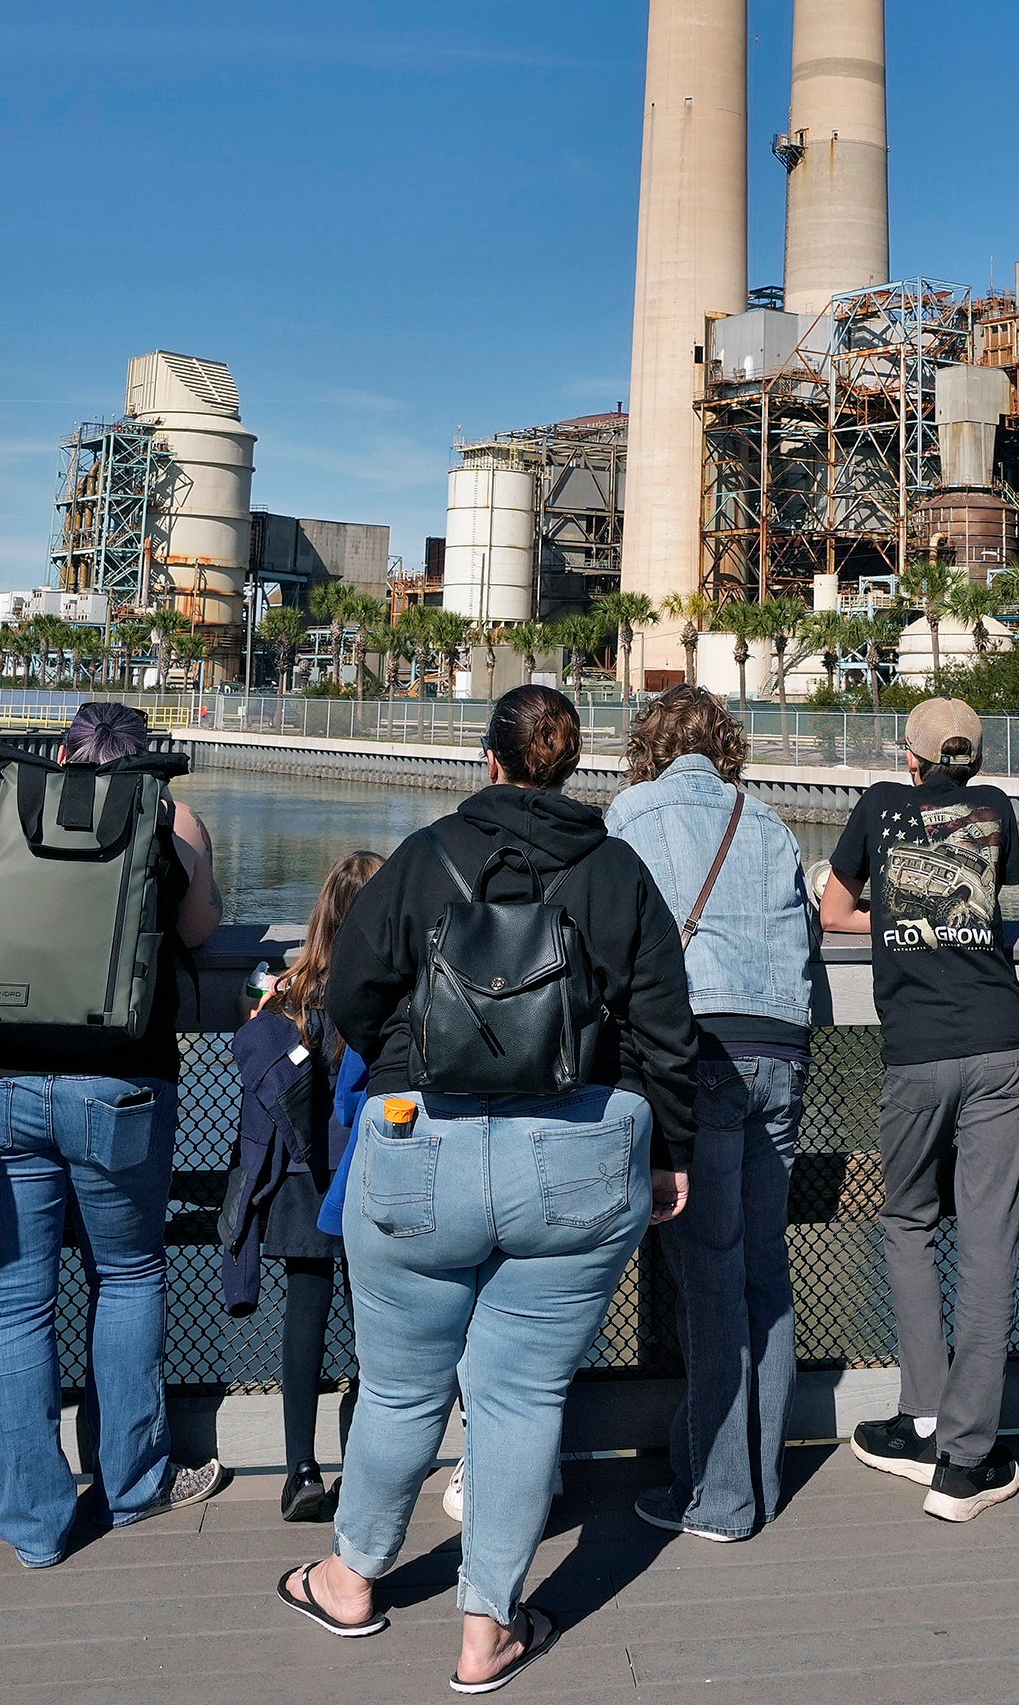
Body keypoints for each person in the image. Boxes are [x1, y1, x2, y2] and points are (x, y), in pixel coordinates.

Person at [281, 684, 694, 1694]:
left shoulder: (426, 857)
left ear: (493, 759)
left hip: (422, 1143)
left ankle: (348, 1579)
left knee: (400, 1385)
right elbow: (664, 1028)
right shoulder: (618, 871)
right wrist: (666, 1148)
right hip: (578, 1156)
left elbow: (350, 992)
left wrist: (400, 1067)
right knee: (519, 1396)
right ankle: (486, 1630)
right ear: (569, 765)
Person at [0, 699, 226, 1568]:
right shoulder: (171, 815)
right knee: (129, 1272)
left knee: (12, 1296)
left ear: (63, 751)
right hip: (121, 1079)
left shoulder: (10, 808)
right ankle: (134, 1484)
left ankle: (34, 1525)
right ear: (142, 757)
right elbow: (199, 930)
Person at [607, 687, 819, 1540]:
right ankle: (756, 1477)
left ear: (651, 744)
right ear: (725, 746)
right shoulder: (766, 820)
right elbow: (802, 927)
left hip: (699, 1053)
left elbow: (612, 931)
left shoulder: (633, 811)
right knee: (765, 1274)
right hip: (784, 1051)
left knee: (708, 1282)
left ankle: (722, 1497)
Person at [816, 692, 1019, 1517]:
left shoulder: (876, 805)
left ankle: (923, 1412)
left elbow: (835, 911)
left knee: (907, 1222)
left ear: (909, 754)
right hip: (1000, 1042)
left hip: (916, 1052)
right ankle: (966, 1459)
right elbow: (985, 911)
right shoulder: (996, 808)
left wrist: (891, 918)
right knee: (988, 1238)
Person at [228, 849, 382, 1523]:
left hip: (298, 1177)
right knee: (376, 1324)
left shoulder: (289, 998)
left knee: (305, 1316)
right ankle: (375, 1463)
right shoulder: (385, 996)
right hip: (374, 1172)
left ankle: (299, 1468)